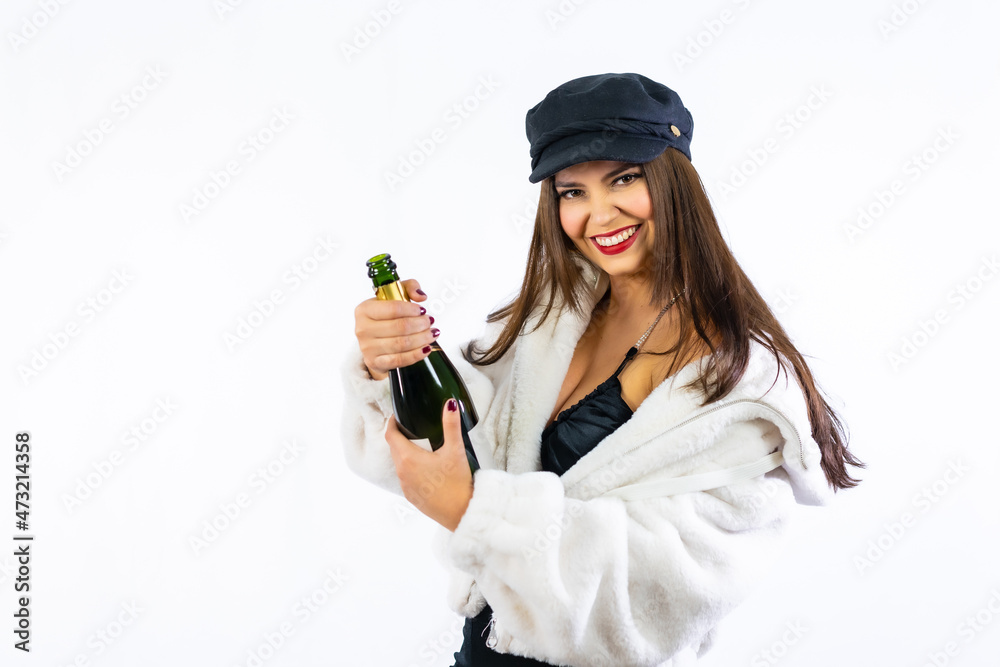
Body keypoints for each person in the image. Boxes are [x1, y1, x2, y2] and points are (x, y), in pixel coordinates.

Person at [342, 73, 863, 666]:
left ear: (674, 181)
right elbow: (449, 442)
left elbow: (657, 602)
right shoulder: (547, 321)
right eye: (572, 192)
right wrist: (387, 362)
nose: (599, 214)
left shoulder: (736, 382)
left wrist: (472, 510)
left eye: (624, 179)